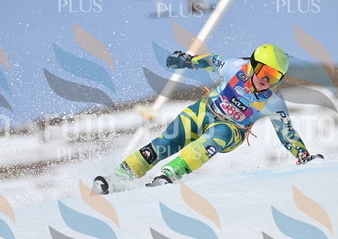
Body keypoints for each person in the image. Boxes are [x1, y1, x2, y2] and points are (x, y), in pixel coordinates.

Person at [93, 44, 322, 194]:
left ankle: (171, 173)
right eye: (264, 72)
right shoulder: (234, 67)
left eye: (274, 76)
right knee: (166, 142)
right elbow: (212, 60)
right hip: (205, 110)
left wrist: (303, 155)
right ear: (253, 65)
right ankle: (119, 176)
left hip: (231, 130)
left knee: (215, 135)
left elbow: (287, 133)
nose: (266, 80)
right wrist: (188, 61)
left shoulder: (273, 101)